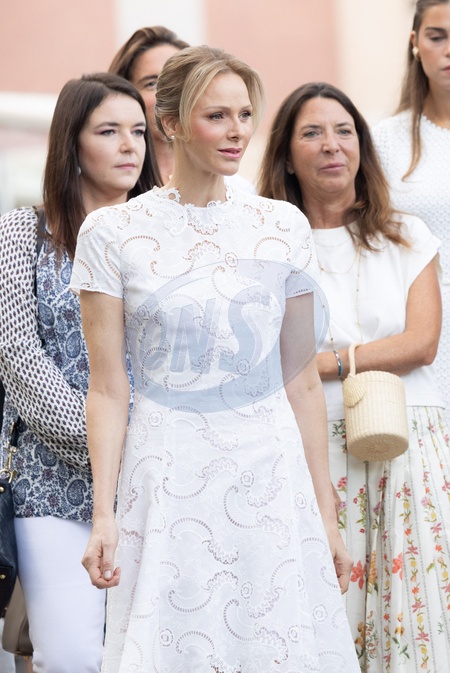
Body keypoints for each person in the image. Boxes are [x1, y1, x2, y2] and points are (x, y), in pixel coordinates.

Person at [71, 46, 360, 672]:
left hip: (270, 476)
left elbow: (302, 383)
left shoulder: (283, 226)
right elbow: (108, 389)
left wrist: (326, 516)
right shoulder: (111, 234)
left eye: (245, 114)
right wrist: (104, 515)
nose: (237, 132)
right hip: (166, 478)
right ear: (170, 123)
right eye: (217, 116)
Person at [259, 81, 450, 672]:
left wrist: (328, 363)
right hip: (314, 445)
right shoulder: (269, 245)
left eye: (344, 131)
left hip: (407, 440)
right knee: (329, 608)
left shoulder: (406, 234)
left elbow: (422, 343)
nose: (331, 145)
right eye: (312, 133)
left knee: (411, 611)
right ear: (287, 155)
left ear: (362, 146)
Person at [0, 72, 160, 673]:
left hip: (157, 478)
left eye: (138, 131)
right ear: (72, 143)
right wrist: (111, 444)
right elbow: (19, 358)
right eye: (108, 131)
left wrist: (145, 451)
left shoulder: (166, 241)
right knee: (70, 658)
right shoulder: (22, 233)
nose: (129, 145)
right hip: (53, 482)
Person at [372, 0, 450, 417]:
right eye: (438, 37)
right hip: (418, 331)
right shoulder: (385, 141)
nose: (449, 50)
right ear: (416, 42)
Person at [109, 26, 256, 192]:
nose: (169, 95)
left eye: (180, 84)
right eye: (152, 84)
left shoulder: (240, 189)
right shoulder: (111, 184)